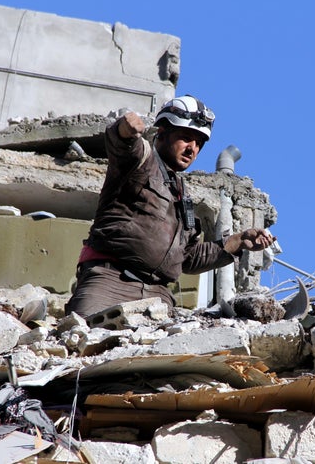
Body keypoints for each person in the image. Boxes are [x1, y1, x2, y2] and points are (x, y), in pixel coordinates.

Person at [65, 95, 276, 318]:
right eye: (186, 138)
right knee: (84, 340)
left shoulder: (181, 193)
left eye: (198, 144)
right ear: (162, 134)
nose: (192, 149)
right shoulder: (141, 162)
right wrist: (124, 129)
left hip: (158, 297)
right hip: (111, 283)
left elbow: (187, 257)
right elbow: (122, 145)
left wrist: (238, 241)